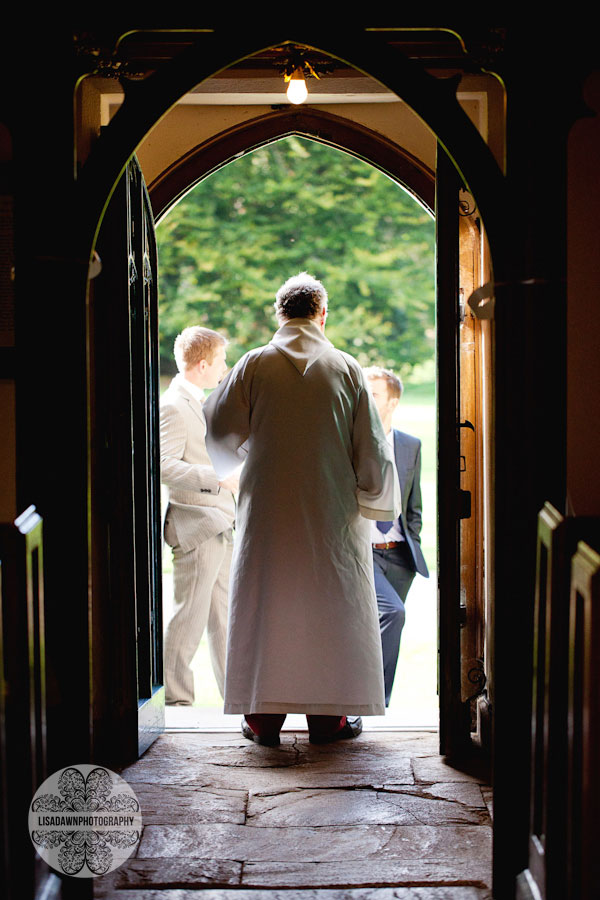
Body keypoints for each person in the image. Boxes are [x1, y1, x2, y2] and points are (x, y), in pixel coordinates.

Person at [203, 272, 400, 746]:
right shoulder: (346, 368)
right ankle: (327, 721)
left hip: (268, 509)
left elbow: (217, 428)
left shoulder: (252, 366)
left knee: (267, 602)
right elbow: (371, 445)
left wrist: (249, 459)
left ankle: (263, 721)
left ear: (280, 314)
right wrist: (374, 496)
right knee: (328, 606)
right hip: (331, 509)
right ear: (322, 314)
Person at [160, 326, 238, 706]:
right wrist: (218, 480)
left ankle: (237, 700)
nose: (225, 368)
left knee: (224, 619)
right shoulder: (174, 405)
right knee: (188, 617)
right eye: (221, 361)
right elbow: (162, 465)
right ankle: (176, 703)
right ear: (203, 364)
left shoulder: (198, 401)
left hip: (220, 522)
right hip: (196, 525)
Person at [363, 366, 430, 707]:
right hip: (364, 553)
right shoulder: (351, 442)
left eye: (373, 395)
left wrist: (412, 535)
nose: (366, 399)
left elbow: (414, 503)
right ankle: (374, 701)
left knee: (384, 627)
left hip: (400, 556)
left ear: (393, 402)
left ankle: (370, 702)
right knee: (393, 613)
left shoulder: (410, 444)